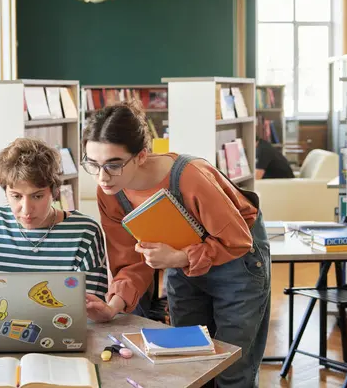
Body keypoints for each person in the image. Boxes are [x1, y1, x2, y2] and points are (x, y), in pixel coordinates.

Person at [81, 101, 271, 388]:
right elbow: (131, 261)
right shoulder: (109, 191)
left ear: (141, 155)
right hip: (182, 265)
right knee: (189, 365)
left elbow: (238, 241)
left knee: (233, 372)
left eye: (114, 164)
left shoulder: (190, 176)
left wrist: (180, 258)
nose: (102, 177)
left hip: (237, 264)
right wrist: (113, 306)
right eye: (92, 164)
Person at [0, 137, 108, 321]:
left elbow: (90, 315)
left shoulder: (85, 233)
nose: (26, 209)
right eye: (16, 196)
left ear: (55, 192)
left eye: (37, 196)